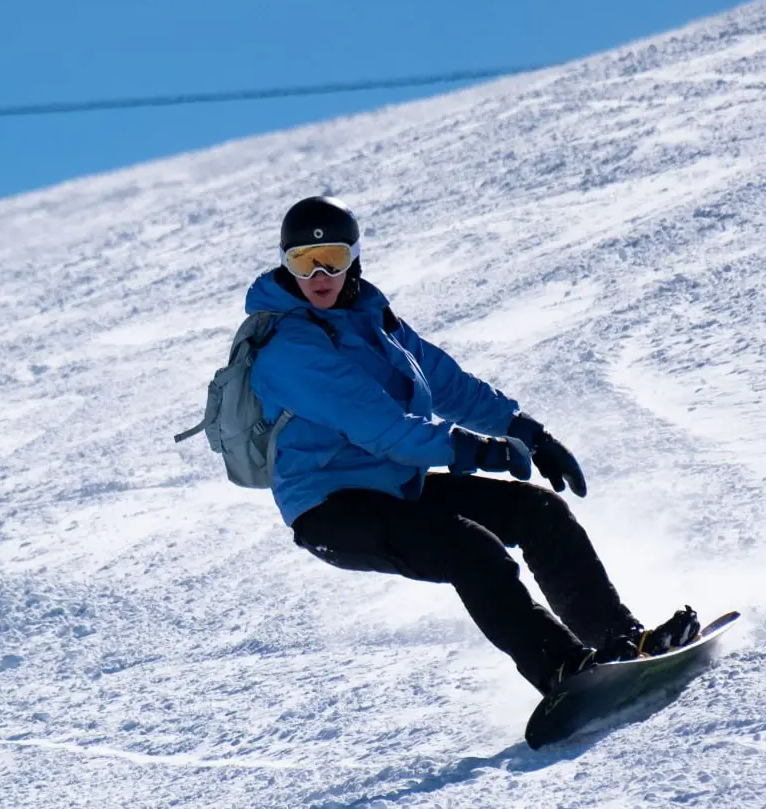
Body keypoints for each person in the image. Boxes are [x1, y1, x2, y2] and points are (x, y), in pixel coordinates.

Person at [245, 196, 700, 695]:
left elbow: (447, 385)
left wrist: (525, 431)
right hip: (331, 509)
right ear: (285, 265)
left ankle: (623, 644)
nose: (319, 275)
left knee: (539, 513)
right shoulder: (289, 349)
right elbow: (384, 429)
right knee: (469, 548)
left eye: (331, 257)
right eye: (303, 262)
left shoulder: (374, 320)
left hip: (395, 485)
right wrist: (478, 451)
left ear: (354, 257)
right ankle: (565, 671)